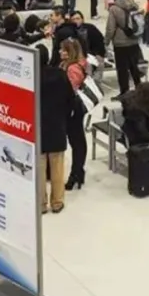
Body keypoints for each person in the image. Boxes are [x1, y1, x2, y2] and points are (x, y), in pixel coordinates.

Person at [37, 45, 76, 214]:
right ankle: (57, 201)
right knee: (58, 166)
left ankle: (40, 203)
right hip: (57, 125)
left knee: (39, 167)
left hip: (37, 127)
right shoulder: (59, 75)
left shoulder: (31, 78)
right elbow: (70, 99)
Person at [59, 38, 90, 191]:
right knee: (77, 140)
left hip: (73, 109)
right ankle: (78, 172)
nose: (60, 52)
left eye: (63, 50)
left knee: (77, 141)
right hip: (73, 107)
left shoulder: (72, 68)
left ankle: (76, 173)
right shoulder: (76, 64)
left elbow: (70, 90)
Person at [104, 0, 144, 95]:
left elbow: (110, 28)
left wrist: (106, 41)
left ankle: (125, 92)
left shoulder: (114, 8)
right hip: (134, 40)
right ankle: (139, 89)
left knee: (122, 69)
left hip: (120, 43)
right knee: (134, 67)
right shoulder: (133, 4)